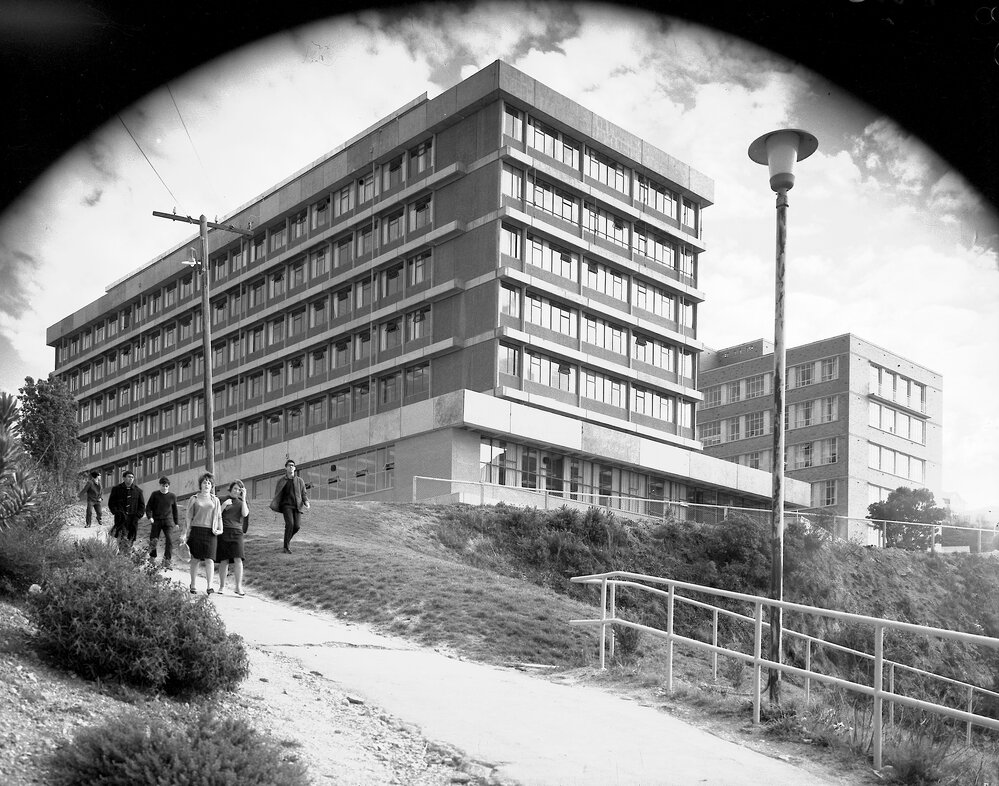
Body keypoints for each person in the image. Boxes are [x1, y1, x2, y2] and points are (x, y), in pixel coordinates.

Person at [180, 472, 222, 595]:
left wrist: (220, 529)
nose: (207, 485)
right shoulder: (194, 499)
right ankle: (193, 585)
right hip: (197, 530)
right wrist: (184, 534)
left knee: (210, 559)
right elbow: (188, 517)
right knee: (195, 559)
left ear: (212, 486)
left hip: (211, 532)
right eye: (204, 482)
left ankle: (209, 586)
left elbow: (219, 516)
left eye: (209, 483)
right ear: (200, 484)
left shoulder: (215, 500)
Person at [216, 479, 249, 596]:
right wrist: (224, 505)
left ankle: (238, 587)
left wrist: (244, 498)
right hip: (224, 531)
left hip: (237, 533)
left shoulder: (241, 502)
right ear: (230, 489)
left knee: (238, 559)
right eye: (235, 488)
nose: (237, 491)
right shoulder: (221, 499)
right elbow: (216, 514)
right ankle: (222, 586)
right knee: (224, 560)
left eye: (239, 489)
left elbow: (245, 514)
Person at [269, 459, 309, 553]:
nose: (291, 467)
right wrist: (276, 505)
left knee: (297, 526)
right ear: (285, 468)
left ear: (295, 468)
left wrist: (306, 502)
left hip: (297, 506)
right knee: (290, 524)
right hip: (286, 506)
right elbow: (277, 494)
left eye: (293, 465)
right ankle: (286, 547)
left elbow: (304, 493)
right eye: (289, 465)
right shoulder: (281, 481)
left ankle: (286, 541)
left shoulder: (300, 481)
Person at [145, 476, 179, 570]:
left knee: (170, 540)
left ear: (169, 486)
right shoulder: (154, 495)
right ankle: (152, 558)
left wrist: (176, 522)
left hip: (168, 521)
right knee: (153, 539)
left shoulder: (172, 496)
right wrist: (150, 517)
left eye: (167, 486)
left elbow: (175, 510)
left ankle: (167, 560)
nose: (165, 488)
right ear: (160, 485)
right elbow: (148, 507)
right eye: (163, 486)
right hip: (156, 520)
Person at [107, 470, 145, 544]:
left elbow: (142, 505)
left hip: (133, 519)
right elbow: (111, 503)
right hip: (121, 518)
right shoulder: (116, 489)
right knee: (121, 536)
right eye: (129, 477)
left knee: (131, 537)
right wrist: (116, 512)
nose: (131, 478)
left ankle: (127, 553)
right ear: (124, 478)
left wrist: (138, 516)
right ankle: (122, 553)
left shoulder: (138, 491)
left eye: (132, 477)